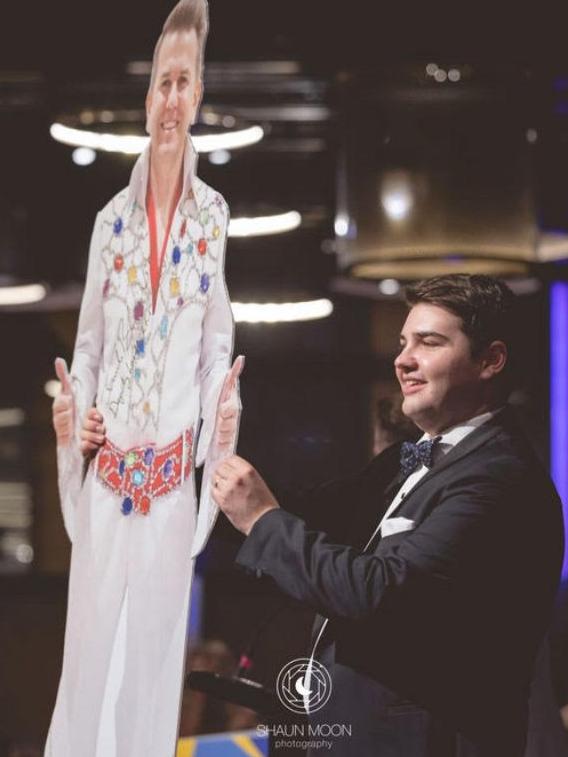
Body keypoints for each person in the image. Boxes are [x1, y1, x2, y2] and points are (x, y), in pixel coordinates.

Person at [212, 274, 565, 757]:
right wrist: (161, 458)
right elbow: (301, 508)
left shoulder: (499, 479)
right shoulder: (409, 459)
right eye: (403, 343)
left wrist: (262, 520)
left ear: (491, 360)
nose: (403, 360)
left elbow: (379, 592)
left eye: (429, 342)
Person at [48, 2, 241, 755]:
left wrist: (222, 415)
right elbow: (89, 342)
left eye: (183, 83)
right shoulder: (111, 221)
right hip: (108, 482)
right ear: (148, 97)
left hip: (169, 481)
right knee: (87, 662)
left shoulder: (212, 216)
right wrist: (78, 407)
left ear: (199, 97)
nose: (169, 99)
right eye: (161, 82)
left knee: (155, 670)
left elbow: (215, 339)